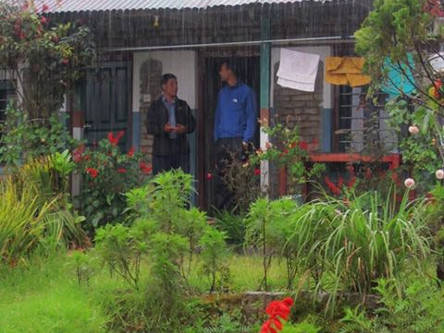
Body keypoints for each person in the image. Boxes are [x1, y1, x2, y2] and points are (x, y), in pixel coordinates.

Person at [213, 60, 257, 209]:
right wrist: (217, 139)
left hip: (239, 140)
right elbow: (218, 117)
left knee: (239, 178)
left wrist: (246, 141)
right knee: (222, 179)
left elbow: (251, 117)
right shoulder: (222, 93)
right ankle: (223, 214)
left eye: (222, 69)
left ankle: (240, 213)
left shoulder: (246, 92)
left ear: (229, 71)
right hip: (223, 141)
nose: (220, 73)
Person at [146, 73, 196, 175]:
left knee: (181, 184)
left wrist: (184, 129)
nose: (175, 87)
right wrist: (163, 129)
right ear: (164, 87)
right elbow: (150, 127)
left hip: (181, 152)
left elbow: (193, 124)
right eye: (172, 84)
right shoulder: (155, 106)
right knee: (163, 185)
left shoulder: (183, 105)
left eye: (176, 84)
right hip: (162, 152)